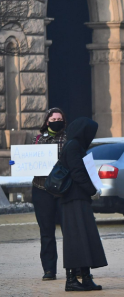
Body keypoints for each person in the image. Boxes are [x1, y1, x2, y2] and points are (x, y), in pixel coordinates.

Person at [59, 118, 107, 292]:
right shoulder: (73, 146)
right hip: (74, 199)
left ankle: (86, 277)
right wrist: (92, 190)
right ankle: (71, 279)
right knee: (76, 239)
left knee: (84, 238)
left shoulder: (74, 145)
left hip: (78, 198)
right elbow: (78, 173)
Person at [32, 108, 67, 281]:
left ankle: (73, 267)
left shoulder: (67, 139)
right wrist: (16, 162)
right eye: (53, 118)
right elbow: (29, 160)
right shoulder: (37, 139)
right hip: (41, 189)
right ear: (47, 121)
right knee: (46, 232)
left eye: (59, 118)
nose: (56, 121)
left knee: (68, 230)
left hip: (61, 191)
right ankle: (49, 270)